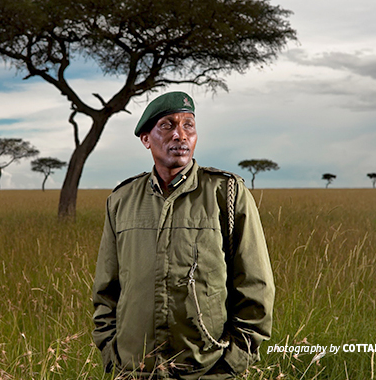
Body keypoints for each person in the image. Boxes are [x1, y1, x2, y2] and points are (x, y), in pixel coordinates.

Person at [92, 91, 274, 379]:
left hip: (206, 369)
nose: (180, 134)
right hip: (135, 370)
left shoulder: (225, 193)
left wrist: (234, 361)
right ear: (145, 138)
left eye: (188, 125)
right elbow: (106, 290)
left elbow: (255, 285)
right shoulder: (122, 200)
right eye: (167, 125)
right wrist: (111, 352)